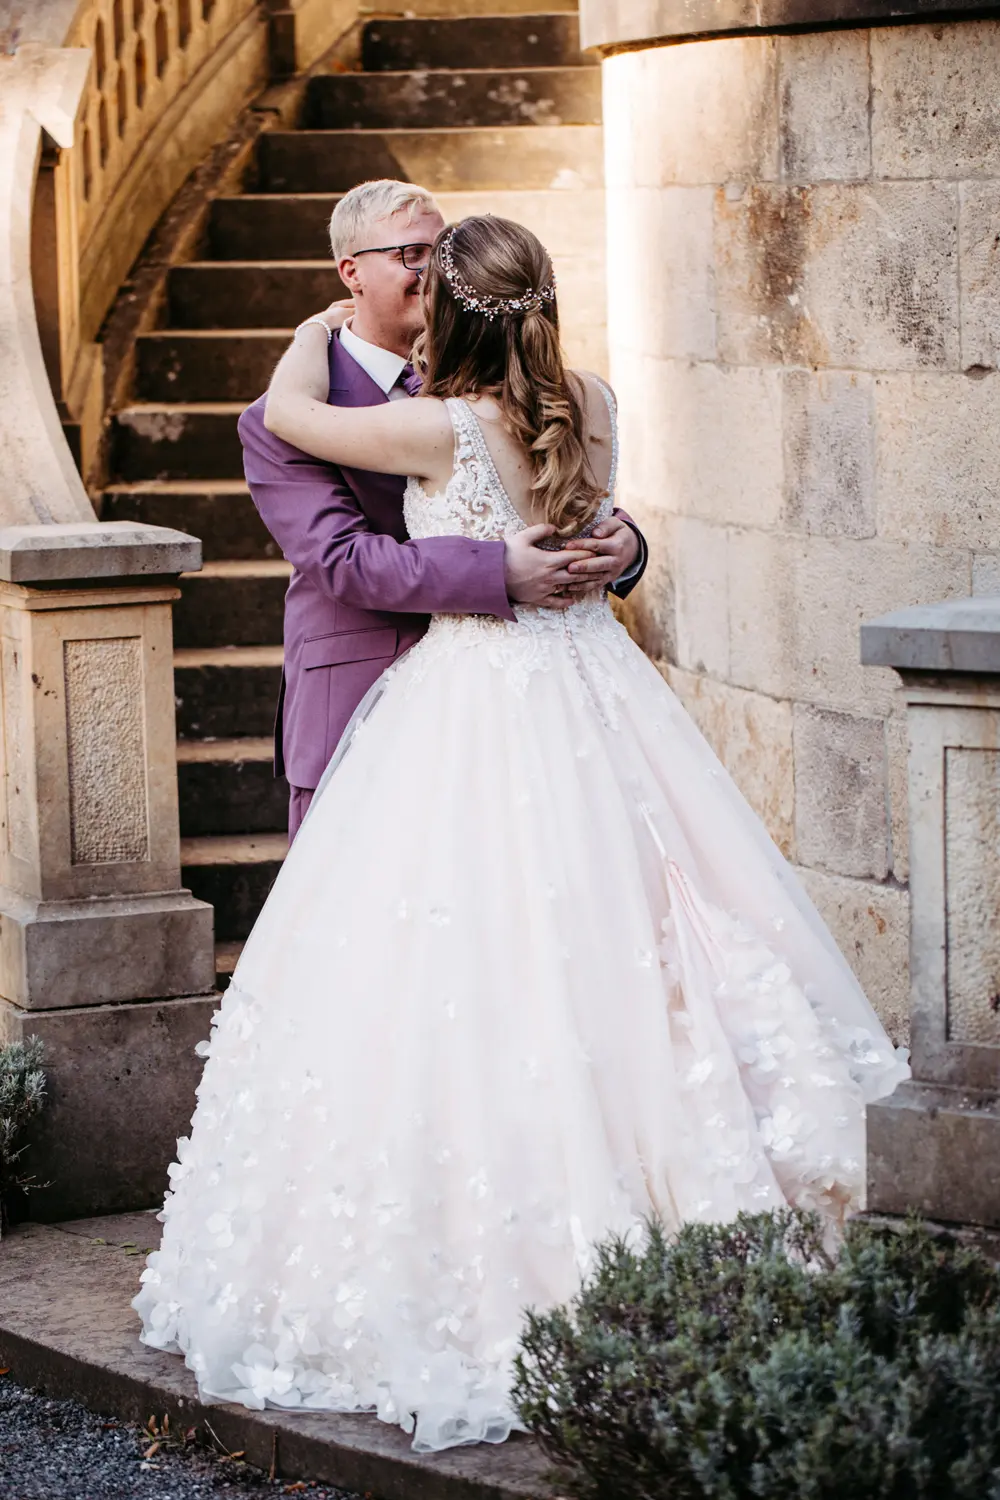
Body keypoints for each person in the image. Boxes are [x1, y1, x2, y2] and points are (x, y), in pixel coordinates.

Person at [134, 215, 908, 1453]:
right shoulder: (589, 399)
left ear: (443, 306)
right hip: (592, 688)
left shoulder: (437, 424)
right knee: (636, 921)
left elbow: (292, 419)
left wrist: (303, 336)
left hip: (476, 701)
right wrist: (592, 548)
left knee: (486, 949)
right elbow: (399, 542)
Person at [237, 179, 646, 839]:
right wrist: (496, 572)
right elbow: (341, 561)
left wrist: (625, 545)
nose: (436, 271)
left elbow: (560, 494)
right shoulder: (280, 420)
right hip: (362, 693)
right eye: (412, 254)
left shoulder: (511, 390)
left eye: (445, 252)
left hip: (532, 705)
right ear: (352, 273)